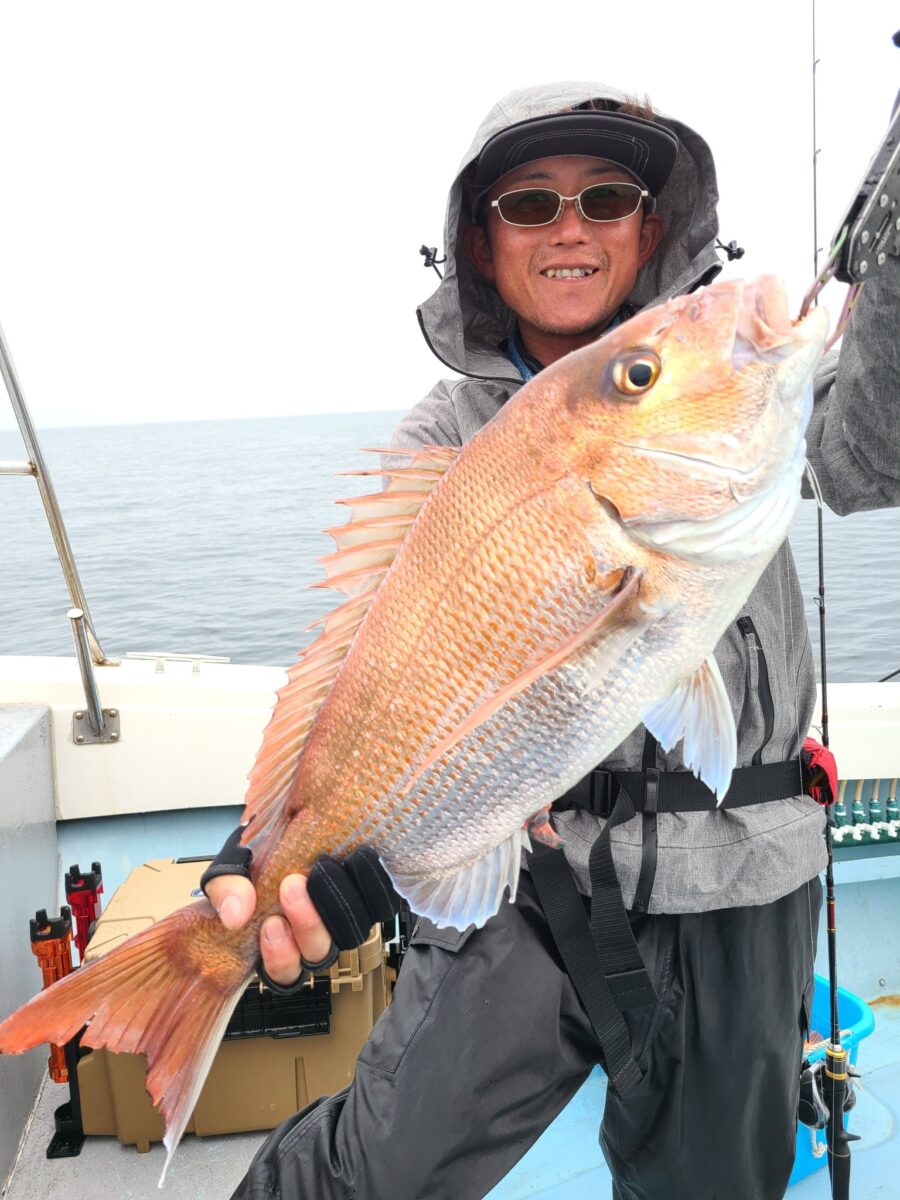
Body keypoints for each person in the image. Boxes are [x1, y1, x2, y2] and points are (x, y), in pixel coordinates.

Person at [207, 82, 900, 1200]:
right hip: (527, 883)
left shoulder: (726, 372)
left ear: (653, 223)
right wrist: (267, 847)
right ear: (481, 242)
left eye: (606, 196)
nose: (570, 226)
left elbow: (875, 447)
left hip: (743, 882)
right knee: (375, 1169)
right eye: (530, 204)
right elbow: (373, 660)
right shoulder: (448, 433)